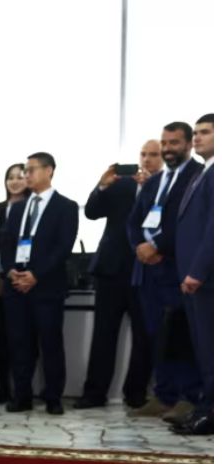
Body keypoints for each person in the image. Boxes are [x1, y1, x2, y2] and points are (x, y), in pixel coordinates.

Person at [127, 121, 205, 422]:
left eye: (174, 143)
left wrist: (157, 245)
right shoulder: (155, 180)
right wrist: (139, 246)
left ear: (188, 144)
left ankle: (189, 396)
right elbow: (134, 220)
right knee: (156, 335)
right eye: (165, 143)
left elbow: (188, 224)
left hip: (177, 268)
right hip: (148, 271)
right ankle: (164, 395)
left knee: (181, 336)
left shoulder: (199, 176)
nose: (168, 148)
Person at [77, 142, 159, 409]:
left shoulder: (164, 187)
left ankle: (135, 393)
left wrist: (150, 189)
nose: (147, 159)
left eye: (154, 155)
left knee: (143, 336)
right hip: (111, 269)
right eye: (143, 154)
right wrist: (101, 186)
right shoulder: (122, 184)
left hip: (145, 270)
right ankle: (94, 393)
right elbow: (91, 213)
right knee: (103, 334)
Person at [0, 153, 80, 415]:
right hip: (16, 287)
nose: (27, 175)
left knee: (50, 343)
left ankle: (53, 397)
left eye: (31, 170)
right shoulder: (18, 208)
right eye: (26, 170)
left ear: (49, 171)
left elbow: (63, 248)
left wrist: (36, 275)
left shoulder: (66, 207)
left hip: (46, 287)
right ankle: (21, 395)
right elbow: (7, 243)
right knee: (19, 344)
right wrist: (11, 271)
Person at [170, 113, 213, 435]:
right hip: (193, 276)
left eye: (206, 132)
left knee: (211, 348)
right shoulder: (203, 172)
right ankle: (205, 408)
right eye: (196, 132)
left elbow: (214, 229)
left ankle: (210, 413)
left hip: (206, 277)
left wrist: (198, 270)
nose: (197, 138)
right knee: (201, 347)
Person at [0, 163, 28, 404]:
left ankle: (22, 389)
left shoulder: (33, 208)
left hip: (26, 281)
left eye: (20, 177)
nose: (14, 181)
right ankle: (3, 388)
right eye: (10, 177)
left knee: (22, 338)